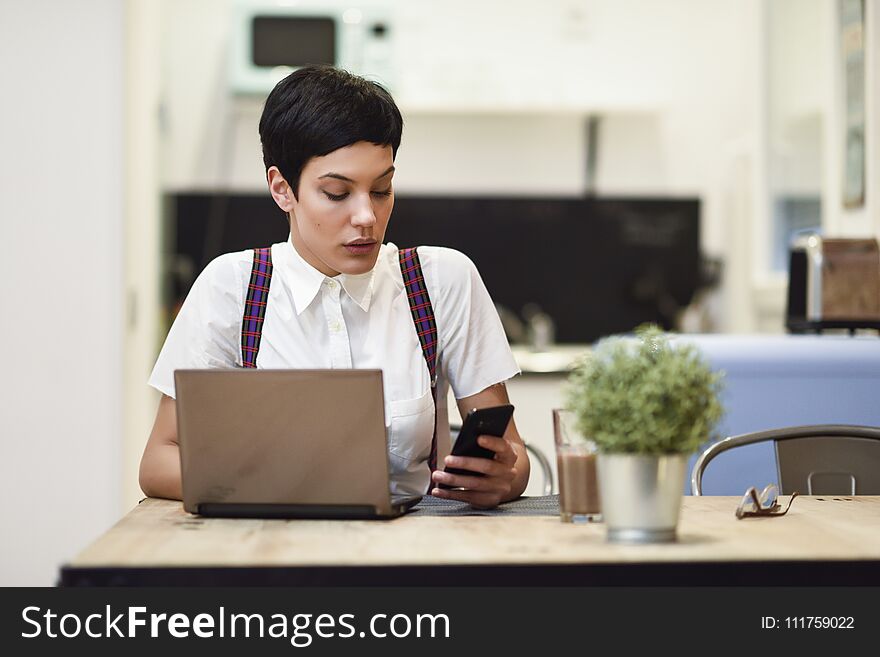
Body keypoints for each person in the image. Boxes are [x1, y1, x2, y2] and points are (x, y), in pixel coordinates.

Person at [139, 65, 529, 508]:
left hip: (412, 552)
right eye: (338, 194)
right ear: (283, 189)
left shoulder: (441, 281)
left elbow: (513, 459)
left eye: (381, 190)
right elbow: (159, 462)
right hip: (269, 552)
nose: (366, 217)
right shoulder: (233, 288)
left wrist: (504, 477)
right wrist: (296, 487)